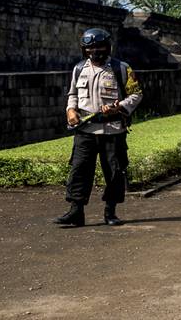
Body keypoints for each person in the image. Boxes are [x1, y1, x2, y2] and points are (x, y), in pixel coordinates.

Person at [54, 28, 143, 227]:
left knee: (114, 171)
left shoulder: (122, 68)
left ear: (108, 47)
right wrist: (70, 111)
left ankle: (110, 212)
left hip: (112, 130)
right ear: (84, 50)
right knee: (79, 170)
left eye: (99, 47)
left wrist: (118, 107)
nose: (95, 51)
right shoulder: (79, 69)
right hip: (85, 130)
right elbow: (72, 94)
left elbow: (136, 95)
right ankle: (76, 212)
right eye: (90, 48)